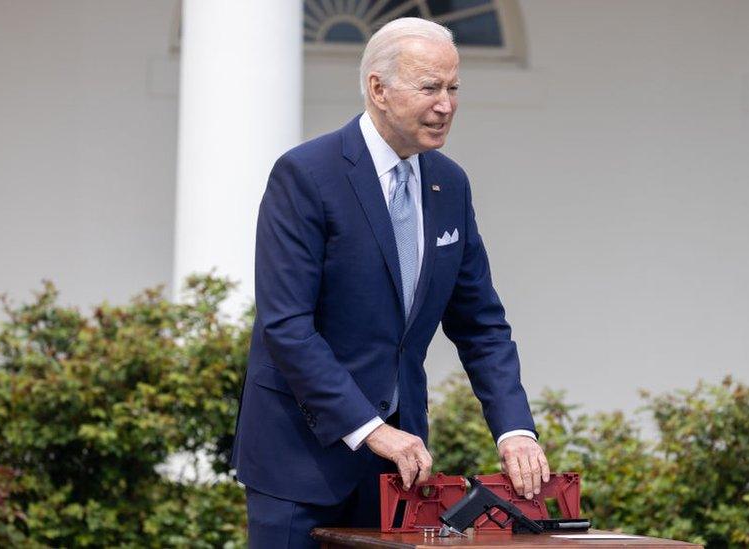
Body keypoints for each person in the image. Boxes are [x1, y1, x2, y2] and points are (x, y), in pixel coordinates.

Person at [231, 17, 550, 547]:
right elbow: (286, 327)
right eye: (430, 88)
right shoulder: (306, 175)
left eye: (453, 88)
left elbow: (481, 326)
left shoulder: (450, 183)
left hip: (398, 476)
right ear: (378, 89)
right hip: (300, 462)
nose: (446, 104)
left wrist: (515, 431)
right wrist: (373, 430)